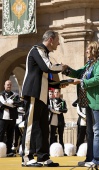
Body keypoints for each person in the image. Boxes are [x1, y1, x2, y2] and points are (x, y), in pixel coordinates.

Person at [21, 30, 67, 167]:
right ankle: (26, 157)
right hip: (33, 93)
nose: (58, 43)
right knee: (31, 125)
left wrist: (66, 82)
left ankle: (43, 157)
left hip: (42, 95)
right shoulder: (37, 49)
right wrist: (63, 67)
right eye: (58, 40)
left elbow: (48, 79)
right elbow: (47, 67)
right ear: (51, 39)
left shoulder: (44, 53)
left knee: (43, 127)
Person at [63, 41, 99, 168]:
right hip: (88, 100)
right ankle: (90, 158)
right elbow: (78, 73)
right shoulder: (89, 64)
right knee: (90, 131)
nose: (86, 51)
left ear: (94, 50)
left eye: (88, 49)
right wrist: (66, 69)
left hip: (97, 100)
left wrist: (81, 81)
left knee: (97, 131)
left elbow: (98, 79)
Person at [0, 80, 21, 157]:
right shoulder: (1, 94)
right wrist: (12, 104)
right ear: (4, 85)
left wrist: (9, 104)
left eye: (10, 84)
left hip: (12, 117)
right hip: (3, 118)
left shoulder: (15, 95)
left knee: (10, 135)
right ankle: (1, 151)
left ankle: (9, 151)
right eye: (7, 84)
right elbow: (2, 104)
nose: (9, 86)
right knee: (1, 134)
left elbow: (18, 103)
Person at [53, 88, 68, 155]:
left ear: (59, 93)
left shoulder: (63, 101)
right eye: (55, 92)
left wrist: (58, 110)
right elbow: (51, 109)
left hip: (61, 120)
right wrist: (59, 110)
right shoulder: (51, 101)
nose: (56, 93)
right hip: (53, 119)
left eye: (57, 92)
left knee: (61, 136)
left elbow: (65, 110)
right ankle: (52, 150)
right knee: (53, 136)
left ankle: (62, 151)